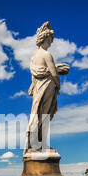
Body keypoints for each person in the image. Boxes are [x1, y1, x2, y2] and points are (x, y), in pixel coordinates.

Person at [24, 22, 69, 153]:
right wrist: (58, 85)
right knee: (45, 115)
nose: (50, 43)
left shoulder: (33, 58)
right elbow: (54, 73)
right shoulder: (46, 55)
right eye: (50, 40)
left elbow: (34, 77)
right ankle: (41, 144)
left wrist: (33, 87)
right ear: (44, 39)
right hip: (47, 85)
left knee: (37, 113)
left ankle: (35, 143)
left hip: (38, 87)